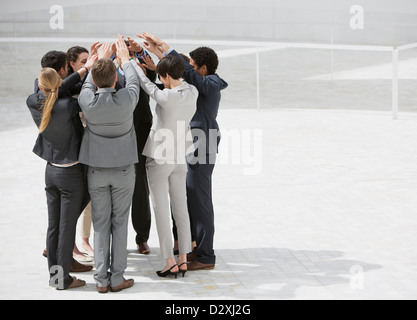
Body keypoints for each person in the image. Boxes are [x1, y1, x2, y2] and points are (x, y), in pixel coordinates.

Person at [139, 32, 228, 271]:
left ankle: (206, 255)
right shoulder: (196, 83)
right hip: (191, 145)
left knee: (201, 200)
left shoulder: (211, 83)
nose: (188, 69)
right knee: (188, 197)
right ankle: (188, 245)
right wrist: (160, 59)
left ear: (203, 69)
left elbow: (184, 76)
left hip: (203, 144)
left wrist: (166, 50)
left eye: (192, 66)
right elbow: (176, 83)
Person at [26, 52, 97, 289]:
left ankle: (55, 277)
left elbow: (52, 91)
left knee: (54, 226)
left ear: (39, 85)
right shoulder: (68, 105)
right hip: (71, 175)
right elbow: (78, 93)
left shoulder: (33, 101)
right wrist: (87, 71)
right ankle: (63, 279)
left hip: (51, 172)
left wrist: (80, 70)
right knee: (66, 228)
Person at [78, 38, 139, 293]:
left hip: (96, 170)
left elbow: (88, 83)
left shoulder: (87, 101)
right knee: (120, 222)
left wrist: (98, 61)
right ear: (116, 80)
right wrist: (124, 58)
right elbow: (134, 79)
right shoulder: (127, 98)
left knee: (101, 223)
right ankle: (117, 279)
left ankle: (101, 280)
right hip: (124, 169)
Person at [130, 53, 197, 278]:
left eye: (162, 75)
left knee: (160, 208)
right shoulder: (191, 92)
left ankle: (169, 260)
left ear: (166, 75)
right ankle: (184, 259)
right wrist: (158, 64)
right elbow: (167, 83)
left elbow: (146, 84)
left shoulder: (166, 97)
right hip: (180, 157)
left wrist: (127, 61)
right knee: (181, 209)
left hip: (160, 158)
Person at [113, 38, 155, 255]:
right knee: (115, 189)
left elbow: (155, 75)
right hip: (118, 134)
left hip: (140, 132)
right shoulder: (111, 67)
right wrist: (113, 56)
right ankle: (113, 241)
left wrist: (138, 53)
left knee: (140, 187)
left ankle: (142, 238)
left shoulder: (140, 65)